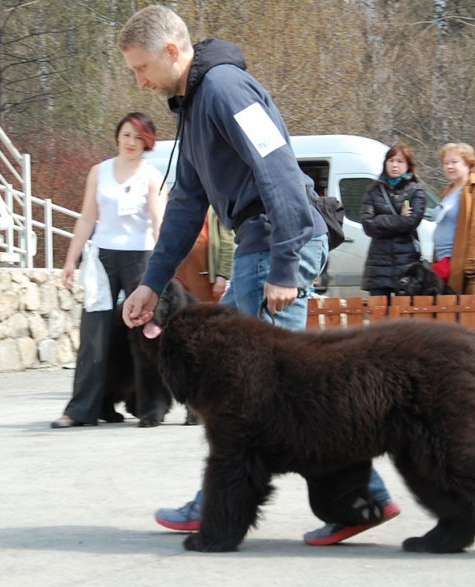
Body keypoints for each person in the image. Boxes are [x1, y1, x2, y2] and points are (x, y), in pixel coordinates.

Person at [117, 5, 399, 545]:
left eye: (140, 67)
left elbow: (277, 170)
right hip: (261, 241)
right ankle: (362, 498)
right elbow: (187, 203)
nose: (140, 80)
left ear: (173, 51)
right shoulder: (193, 106)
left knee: (276, 396)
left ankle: (253, 503)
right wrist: (152, 282)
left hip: (275, 241)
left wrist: (285, 264)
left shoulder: (224, 89)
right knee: (283, 394)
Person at [51, 112, 166, 428]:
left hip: (142, 259)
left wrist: (165, 267)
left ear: (148, 142)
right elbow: (87, 218)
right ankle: (81, 410)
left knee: (147, 334)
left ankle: (150, 407)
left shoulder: (153, 176)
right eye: (127, 134)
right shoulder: (98, 172)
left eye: (139, 137)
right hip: (102, 257)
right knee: (94, 333)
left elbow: (159, 223)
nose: (131, 142)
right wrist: (70, 261)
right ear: (118, 136)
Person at [360, 142, 426, 296]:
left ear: (408, 165)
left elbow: (411, 222)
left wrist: (381, 220)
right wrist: (398, 219)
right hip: (378, 265)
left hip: (406, 263)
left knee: (404, 315)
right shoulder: (373, 190)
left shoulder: (416, 190)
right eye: (391, 161)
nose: (394, 165)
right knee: (379, 315)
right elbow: (368, 224)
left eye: (400, 161)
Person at [432, 142, 475, 297]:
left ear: (468, 163)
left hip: (465, 266)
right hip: (444, 263)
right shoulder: (448, 190)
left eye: (454, 162)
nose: (449, 167)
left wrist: (473, 264)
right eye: (446, 163)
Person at [174, 206, 234, 303]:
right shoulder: (174, 200)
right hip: (177, 271)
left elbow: (226, 241)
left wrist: (222, 275)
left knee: (205, 313)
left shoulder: (217, 203)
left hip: (204, 275)